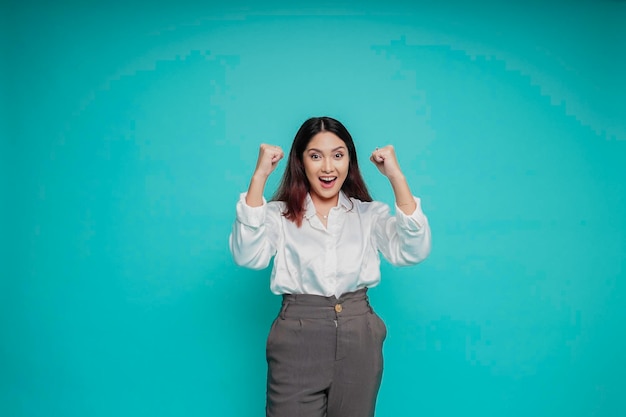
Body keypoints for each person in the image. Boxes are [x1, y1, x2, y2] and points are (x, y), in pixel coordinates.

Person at [229, 116, 431, 417]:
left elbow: (412, 251)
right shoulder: (277, 215)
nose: (327, 167)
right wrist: (259, 177)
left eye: (338, 155)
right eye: (315, 156)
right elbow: (247, 255)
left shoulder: (368, 214)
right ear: (301, 162)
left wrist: (396, 177)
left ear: (349, 160)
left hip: (359, 333)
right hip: (298, 333)